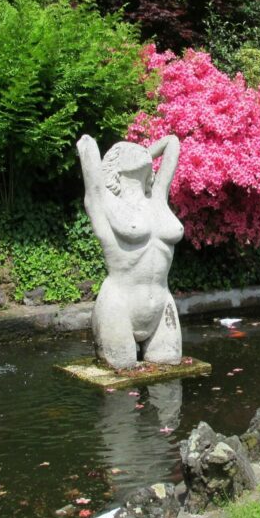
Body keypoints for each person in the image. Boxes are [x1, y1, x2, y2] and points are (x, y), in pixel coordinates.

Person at [76, 134, 184, 369]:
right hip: (119, 305)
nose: (140, 151)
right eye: (129, 150)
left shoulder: (158, 198)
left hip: (162, 304)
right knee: (120, 382)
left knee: (171, 375)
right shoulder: (104, 201)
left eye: (141, 149)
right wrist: (94, 150)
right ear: (115, 164)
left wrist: (145, 153)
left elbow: (172, 142)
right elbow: (88, 146)